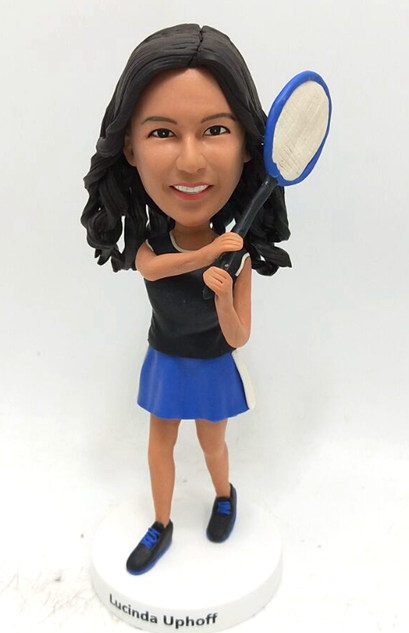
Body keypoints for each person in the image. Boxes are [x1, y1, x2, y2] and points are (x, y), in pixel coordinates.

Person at [81, 24, 291, 575]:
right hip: (166, 361)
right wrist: (209, 254)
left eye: (216, 129)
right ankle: (161, 522)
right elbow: (152, 268)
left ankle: (224, 495)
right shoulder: (153, 245)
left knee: (213, 445)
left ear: (246, 146)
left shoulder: (238, 261)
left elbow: (239, 335)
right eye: (163, 132)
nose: (192, 162)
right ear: (129, 147)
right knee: (159, 447)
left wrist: (223, 295)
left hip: (213, 363)